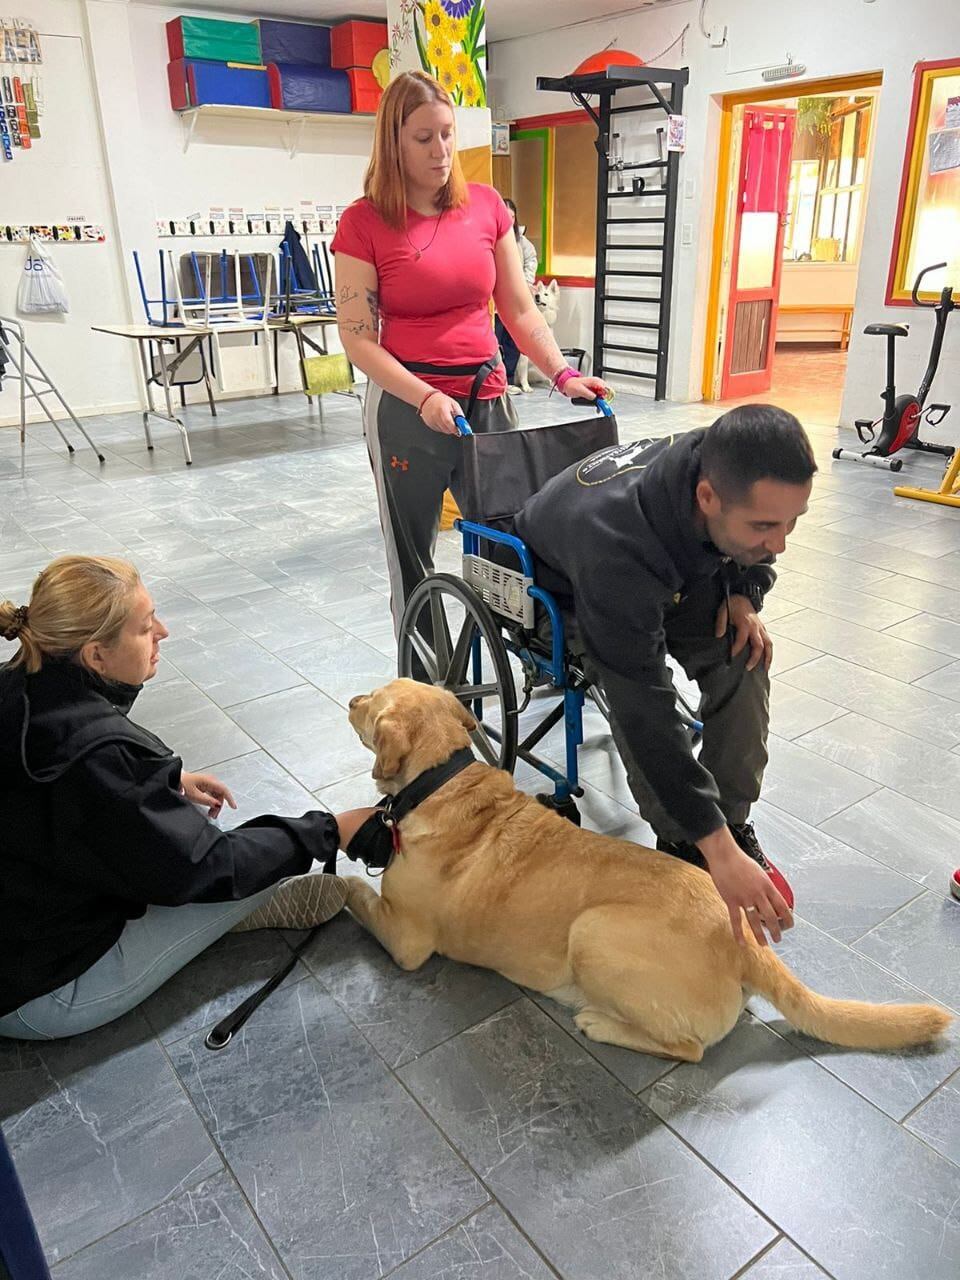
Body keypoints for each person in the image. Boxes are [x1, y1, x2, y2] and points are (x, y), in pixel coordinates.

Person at [0, 556, 377, 1040]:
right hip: (42, 994)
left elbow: (63, 795)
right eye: (144, 627)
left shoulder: (20, 681)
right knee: (254, 865)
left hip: (17, 937)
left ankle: (219, 916)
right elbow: (207, 863)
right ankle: (233, 918)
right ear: (95, 656)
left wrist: (166, 784)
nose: (164, 631)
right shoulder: (100, 755)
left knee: (194, 834)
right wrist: (331, 830)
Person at [514, 405, 818, 948]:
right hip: (570, 591)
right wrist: (712, 848)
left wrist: (746, 593)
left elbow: (748, 551)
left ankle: (730, 820)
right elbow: (645, 710)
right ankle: (685, 844)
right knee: (638, 702)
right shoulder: (615, 549)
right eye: (765, 526)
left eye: (792, 521)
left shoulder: (721, 456)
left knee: (744, 656)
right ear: (707, 498)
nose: (781, 543)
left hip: (674, 570)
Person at [331, 70, 606, 633]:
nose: (442, 151)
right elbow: (357, 337)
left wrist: (560, 373)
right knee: (412, 559)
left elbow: (520, 308)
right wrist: (425, 396)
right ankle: (430, 688)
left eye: (448, 134)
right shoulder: (363, 222)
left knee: (511, 537)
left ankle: (522, 651)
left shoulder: (484, 206)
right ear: (393, 142)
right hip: (409, 407)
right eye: (424, 137)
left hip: (486, 395)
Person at [495, 197, 538, 388]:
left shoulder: (521, 241)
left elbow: (531, 259)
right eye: (506, 215)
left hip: (515, 300)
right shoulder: (492, 236)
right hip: (494, 301)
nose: (509, 219)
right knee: (495, 340)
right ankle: (497, 380)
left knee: (514, 341)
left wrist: (527, 281)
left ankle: (510, 379)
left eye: (512, 216)